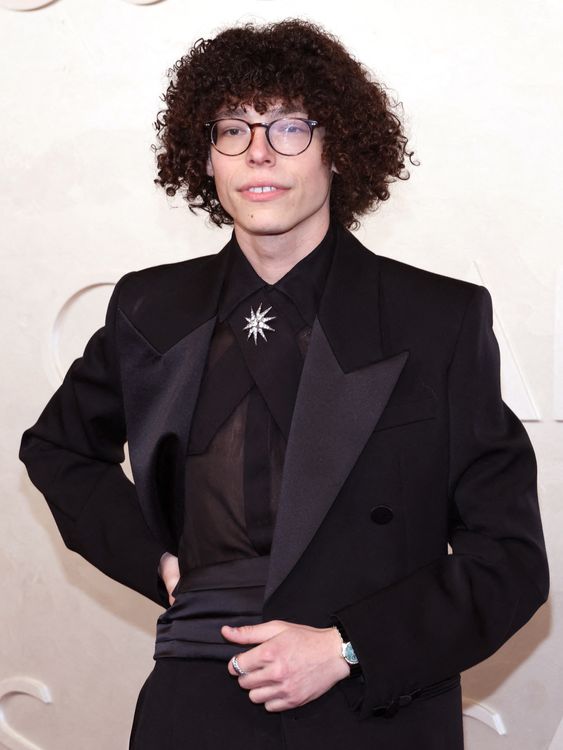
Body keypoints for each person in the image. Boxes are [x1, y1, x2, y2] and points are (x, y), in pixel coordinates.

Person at [19, 18, 549, 750]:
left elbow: (509, 563)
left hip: (370, 714)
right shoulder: (149, 308)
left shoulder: (438, 319)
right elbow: (58, 450)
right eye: (232, 128)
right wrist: (158, 562)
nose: (259, 152)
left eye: (290, 127)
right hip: (192, 708)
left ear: (339, 148)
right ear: (203, 157)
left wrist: (345, 647)